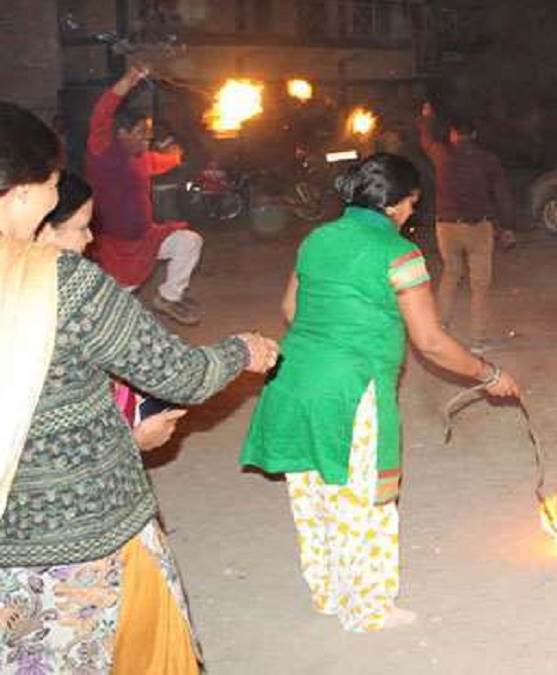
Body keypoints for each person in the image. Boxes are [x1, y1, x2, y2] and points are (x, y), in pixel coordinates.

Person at [0, 101, 278, 674]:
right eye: (53, 183)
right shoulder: (57, 281)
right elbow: (182, 375)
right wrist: (242, 351)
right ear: (24, 191)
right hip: (87, 542)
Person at [240, 153, 520, 633]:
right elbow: (431, 342)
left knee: (313, 494)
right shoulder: (399, 255)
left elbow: (290, 308)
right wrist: (489, 374)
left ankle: (328, 592)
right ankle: (368, 608)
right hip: (350, 390)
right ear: (393, 204)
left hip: (294, 380)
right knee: (364, 500)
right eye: (411, 203)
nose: (412, 213)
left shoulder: (317, 239)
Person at [35, 171, 188, 451]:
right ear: (43, 231)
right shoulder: (68, 293)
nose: (90, 237)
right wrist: (130, 444)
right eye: (82, 227)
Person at [85, 64, 205, 326]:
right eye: (141, 133)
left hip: (148, 238)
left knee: (189, 242)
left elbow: (167, 159)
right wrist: (128, 79)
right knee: (114, 308)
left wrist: (177, 153)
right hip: (118, 249)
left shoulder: (142, 159)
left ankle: (167, 297)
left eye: (148, 133)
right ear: (121, 133)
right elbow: (102, 112)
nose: (147, 138)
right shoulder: (103, 153)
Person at [418, 102, 515, 353]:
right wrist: (507, 225)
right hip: (478, 227)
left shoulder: (442, 154)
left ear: (452, 135)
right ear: (474, 135)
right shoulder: (487, 159)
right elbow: (502, 194)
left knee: (451, 274)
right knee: (480, 284)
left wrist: (427, 117)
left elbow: (426, 139)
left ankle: (440, 328)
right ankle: (478, 340)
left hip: (447, 227)